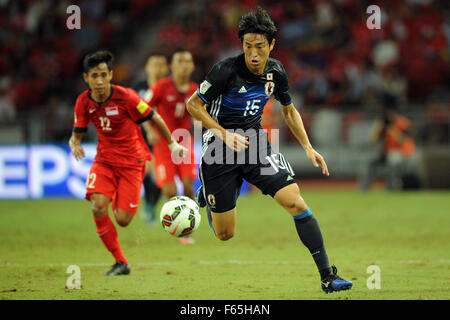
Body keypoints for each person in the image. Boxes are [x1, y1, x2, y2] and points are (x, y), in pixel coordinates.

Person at [186, 7, 353, 293]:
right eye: (248, 46)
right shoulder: (224, 70)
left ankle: (327, 276)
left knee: (296, 202)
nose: (253, 53)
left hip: (255, 145)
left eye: (260, 46)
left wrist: (308, 147)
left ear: (271, 45)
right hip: (219, 149)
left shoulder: (276, 71)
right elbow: (193, 105)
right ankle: (207, 194)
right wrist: (223, 135)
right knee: (225, 234)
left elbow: (288, 111)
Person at [69, 50, 186, 276]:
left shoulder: (127, 97)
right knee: (98, 206)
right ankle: (120, 262)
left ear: (111, 75)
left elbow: (155, 118)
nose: (100, 81)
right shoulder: (83, 102)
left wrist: (172, 145)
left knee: (122, 220)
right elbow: (77, 133)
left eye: (104, 74)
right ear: (86, 78)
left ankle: (119, 202)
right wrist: (74, 142)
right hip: (104, 161)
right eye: (94, 76)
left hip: (133, 162)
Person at [147, 48, 198, 244]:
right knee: (169, 191)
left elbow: (202, 112)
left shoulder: (195, 89)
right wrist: (150, 130)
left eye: (188, 62)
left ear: (192, 66)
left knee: (187, 186)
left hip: (184, 142)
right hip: (163, 145)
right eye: (180, 62)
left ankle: (188, 227)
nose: (184, 65)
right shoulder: (161, 87)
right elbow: (143, 109)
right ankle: (178, 224)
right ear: (172, 66)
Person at [134, 53, 170, 225]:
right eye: (154, 64)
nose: (158, 68)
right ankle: (147, 207)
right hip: (138, 137)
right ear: (147, 68)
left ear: (167, 68)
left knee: (156, 177)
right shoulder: (138, 88)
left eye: (161, 64)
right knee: (149, 174)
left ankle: (149, 207)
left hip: (161, 139)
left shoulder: (170, 87)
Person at [360, 94, 415, 191]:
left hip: (400, 153)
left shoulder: (403, 123)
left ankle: (392, 187)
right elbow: (373, 140)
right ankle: (364, 189)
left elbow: (405, 141)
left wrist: (392, 130)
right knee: (370, 162)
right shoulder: (384, 123)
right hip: (386, 153)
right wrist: (379, 126)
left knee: (393, 161)